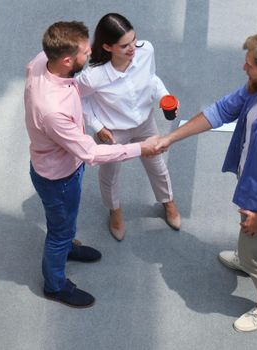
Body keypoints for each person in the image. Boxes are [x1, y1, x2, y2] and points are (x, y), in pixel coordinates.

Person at [156, 31, 257, 331]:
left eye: (249, 65)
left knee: (254, 250)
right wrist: (171, 138)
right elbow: (221, 110)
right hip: (252, 184)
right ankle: (251, 254)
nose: (245, 69)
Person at [24, 21, 160, 308]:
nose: (92, 55)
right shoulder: (53, 111)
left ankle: (67, 246)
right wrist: (140, 147)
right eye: (87, 52)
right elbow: (92, 154)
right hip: (59, 178)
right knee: (59, 233)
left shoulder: (41, 62)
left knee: (65, 222)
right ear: (67, 60)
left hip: (59, 168)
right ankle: (55, 285)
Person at [76, 13, 181, 241]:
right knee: (110, 175)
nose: (133, 48)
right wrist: (97, 126)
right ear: (107, 46)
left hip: (145, 122)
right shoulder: (93, 77)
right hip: (114, 133)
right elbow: (80, 99)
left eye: (134, 40)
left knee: (157, 165)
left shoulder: (146, 51)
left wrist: (164, 96)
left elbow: (152, 78)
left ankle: (168, 202)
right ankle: (115, 211)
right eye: (124, 45)